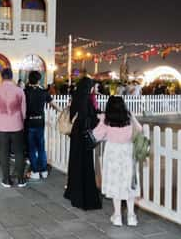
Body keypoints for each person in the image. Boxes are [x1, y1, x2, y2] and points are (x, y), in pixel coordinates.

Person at [93, 96, 142, 226]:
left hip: (113, 152)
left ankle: (118, 216)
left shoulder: (106, 120)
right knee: (129, 183)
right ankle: (131, 216)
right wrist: (131, 116)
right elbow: (139, 130)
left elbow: (96, 135)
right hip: (127, 152)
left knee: (115, 183)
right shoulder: (129, 119)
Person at [64, 76, 102, 210]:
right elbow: (90, 119)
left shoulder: (76, 99)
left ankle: (72, 191)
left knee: (75, 162)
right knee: (84, 164)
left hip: (76, 135)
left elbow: (74, 116)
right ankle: (83, 194)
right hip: (84, 135)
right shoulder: (87, 101)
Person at [0, 68, 27, 188]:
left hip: (1, 126)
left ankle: (6, 179)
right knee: (19, 152)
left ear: (2, 77)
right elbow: (24, 111)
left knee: (3, 153)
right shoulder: (20, 91)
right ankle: (20, 179)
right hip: (17, 125)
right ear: (12, 76)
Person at [24, 70, 56, 180]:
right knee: (41, 147)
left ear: (29, 79)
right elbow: (53, 105)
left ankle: (35, 171)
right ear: (39, 80)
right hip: (40, 122)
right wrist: (62, 111)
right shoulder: (43, 92)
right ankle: (43, 170)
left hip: (29, 122)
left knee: (32, 148)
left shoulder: (25, 92)